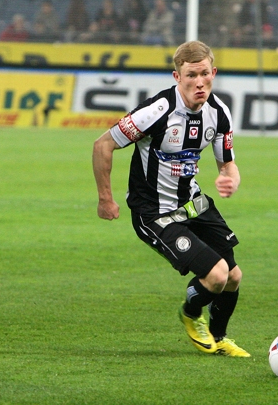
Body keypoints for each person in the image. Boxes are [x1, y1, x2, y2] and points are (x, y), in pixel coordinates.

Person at [92, 40, 250, 358]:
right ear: (177, 76)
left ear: (214, 73)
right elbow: (102, 145)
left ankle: (219, 338)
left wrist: (230, 178)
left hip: (192, 203)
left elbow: (228, 164)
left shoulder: (219, 112)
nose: (199, 82)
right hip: (154, 213)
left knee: (233, 276)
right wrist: (105, 199)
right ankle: (191, 316)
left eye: (205, 73)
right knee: (216, 275)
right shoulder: (157, 111)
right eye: (191, 75)